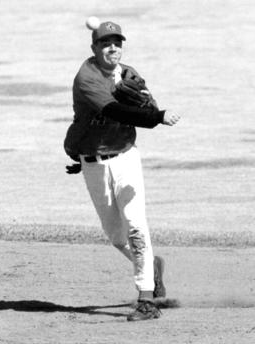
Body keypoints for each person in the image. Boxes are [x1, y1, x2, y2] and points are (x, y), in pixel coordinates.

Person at [64, 20, 180, 321]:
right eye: (105, 43)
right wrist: (155, 116)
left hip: (126, 159)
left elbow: (146, 102)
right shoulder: (86, 77)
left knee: (136, 224)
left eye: (117, 42)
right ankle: (151, 266)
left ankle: (146, 299)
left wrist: (150, 106)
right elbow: (113, 111)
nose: (112, 47)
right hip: (93, 164)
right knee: (116, 236)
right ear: (94, 48)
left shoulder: (129, 74)